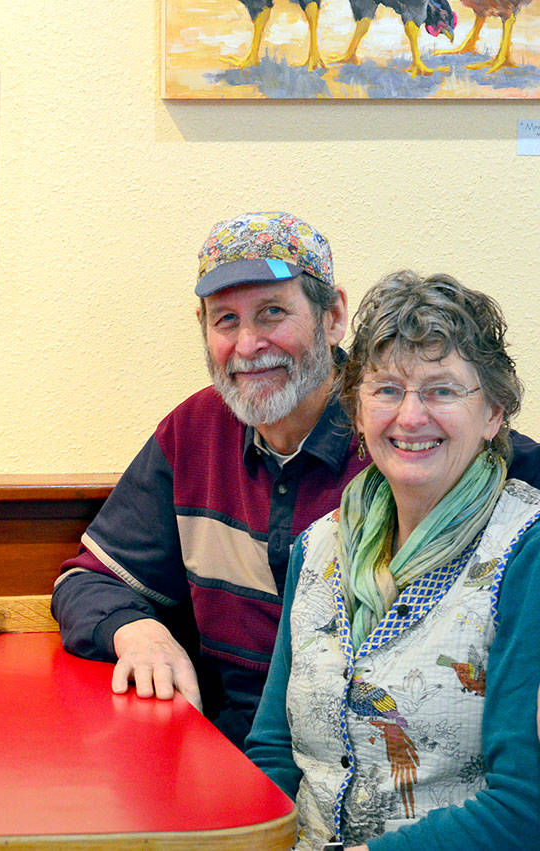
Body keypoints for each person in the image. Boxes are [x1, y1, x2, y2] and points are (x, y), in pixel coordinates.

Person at [50, 212, 540, 746]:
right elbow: (85, 581)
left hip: (395, 762)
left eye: (272, 313)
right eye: (225, 321)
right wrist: (137, 632)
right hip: (235, 755)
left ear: (333, 319)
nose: (247, 344)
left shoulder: (412, 439)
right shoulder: (193, 433)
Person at [246, 271, 540, 849]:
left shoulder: (526, 551)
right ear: (356, 412)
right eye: (386, 390)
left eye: (442, 390)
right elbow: (274, 752)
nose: (410, 417)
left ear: (494, 416)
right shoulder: (318, 546)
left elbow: (523, 807)